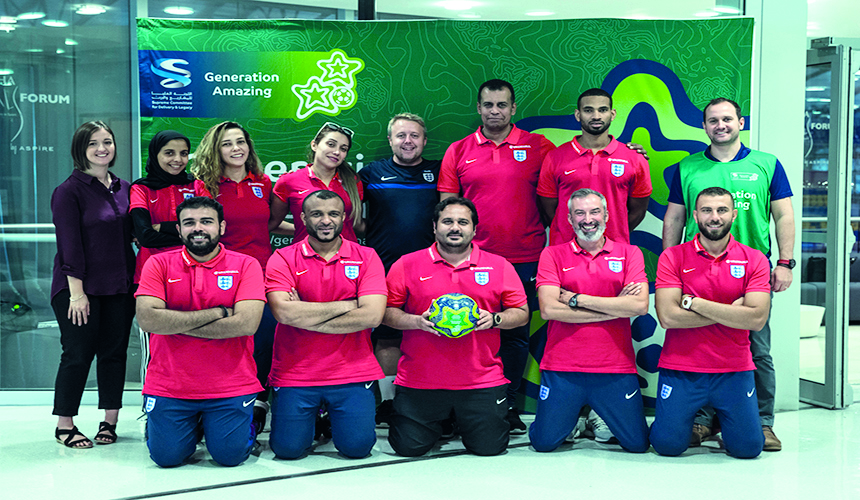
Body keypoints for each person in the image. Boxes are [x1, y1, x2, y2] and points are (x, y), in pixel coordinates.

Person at [662, 98, 794, 451]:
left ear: (740, 122)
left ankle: (763, 422)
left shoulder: (766, 163)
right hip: (697, 269)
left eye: (727, 119)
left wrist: (785, 262)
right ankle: (704, 421)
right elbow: (675, 218)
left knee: (757, 349)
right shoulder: (687, 166)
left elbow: (783, 215)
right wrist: (669, 264)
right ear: (704, 126)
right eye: (713, 120)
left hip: (753, 273)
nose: (720, 125)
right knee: (701, 343)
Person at [438, 79, 554, 433]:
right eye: (488, 105)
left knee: (515, 335)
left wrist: (629, 151)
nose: (495, 111)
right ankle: (459, 406)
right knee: (463, 332)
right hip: (471, 260)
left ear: (513, 108)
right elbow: (447, 210)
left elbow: (570, 175)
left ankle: (508, 405)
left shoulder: (539, 147)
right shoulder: (459, 150)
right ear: (478, 108)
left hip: (524, 257)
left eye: (502, 105)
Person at [383, 197, 528, 456]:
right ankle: (442, 421)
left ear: (474, 229)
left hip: (480, 380)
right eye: (447, 221)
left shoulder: (499, 265)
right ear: (434, 226)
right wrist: (416, 321)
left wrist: (494, 319)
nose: (455, 228)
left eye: (463, 222)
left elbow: (522, 313)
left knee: (490, 448)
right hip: (420, 380)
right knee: (408, 448)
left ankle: (460, 420)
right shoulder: (406, 264)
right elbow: (385, 313)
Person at [135, 197, 265, 467]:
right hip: (170, 384)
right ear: (179, 230)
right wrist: (219, 312)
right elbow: (148, 320)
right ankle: (189, 426)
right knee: (166, 458)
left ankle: (249, 422)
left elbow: (246, 324)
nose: (198, 228)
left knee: (230, 457)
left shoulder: (247, 264)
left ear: (222, 227)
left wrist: (174, 324)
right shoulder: (157, 264)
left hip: (230, 383)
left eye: (206, 221)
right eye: (189, 223)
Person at [265, 190, 386, 459]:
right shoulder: (282, 257)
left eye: (333, 214)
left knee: (357, 449)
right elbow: (284, 313)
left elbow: (372, 316)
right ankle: (318, 420)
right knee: (288, 450)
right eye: (317, 214)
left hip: (352, 370)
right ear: (302, 218)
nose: (325, 221)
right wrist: (349, 305)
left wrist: (304, 314)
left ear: (344, 217)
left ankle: (330, 419)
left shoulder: (367, 256)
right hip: (296, 371)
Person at [652, 187, 771, 459]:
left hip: (734, 369)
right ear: (695, 215)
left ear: (734, 214)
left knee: (748, 449)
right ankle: (707, 422)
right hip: (681, 368)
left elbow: (756, 319)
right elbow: (668, 317)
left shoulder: (754, 259)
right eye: (706, 210)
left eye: (721, 210)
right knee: (667, 446)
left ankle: (721, 422)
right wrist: (732, 312)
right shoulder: (672, 256)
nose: (714, 217)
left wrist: (693, 302)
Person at [529, 188, 649, 453]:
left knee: (638, 445)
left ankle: (591, 417)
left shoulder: (630, 253)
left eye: (595, 212)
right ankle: (573, 420)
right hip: (563, 366)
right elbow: (549, 309)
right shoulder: (552, 254)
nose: (588, 219)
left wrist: (576, 299)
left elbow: (639, 305)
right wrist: (615, 307)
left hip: (615, 367)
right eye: (579, 213)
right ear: (569, 219)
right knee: (543, 443)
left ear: (606, 216)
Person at [51, 121, 136, 448]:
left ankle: (109, 421)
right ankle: (65, 425)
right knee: (78, 353)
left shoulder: (124, 188)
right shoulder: (68, 191)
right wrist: (77, 294)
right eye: (93, 143)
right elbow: (69, 245)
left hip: (119, 286)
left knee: (114, 353)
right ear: (80, 149)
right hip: (78, 289)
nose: (102, 149)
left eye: (107, 142)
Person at [191, 121, 278, 436]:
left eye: (240, 141)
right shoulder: (205, 185)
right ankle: (213, 405)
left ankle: (257, 404)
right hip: (222, 274)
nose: (236, 148)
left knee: (263, 340)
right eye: (227, 144)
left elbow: (269, 223)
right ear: (216, 150)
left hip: (263, 274)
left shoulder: (264, 183)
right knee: (223, 340)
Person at [358, 112, 441, 423]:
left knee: (433, 332)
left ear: (424, 140)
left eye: (414, 136)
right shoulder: (371, 173)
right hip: (385, 268)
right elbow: (351, 215)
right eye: (401, 135)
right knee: (388, 335)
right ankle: (390, 403)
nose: (408, 141)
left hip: (433, 269)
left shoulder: (439, 172)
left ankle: (433, 401)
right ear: (390, 140)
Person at [538, 88, 652, 246]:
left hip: (615, 252)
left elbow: (638, 211)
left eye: (602, 110)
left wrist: (613, 234)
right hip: (565, 250)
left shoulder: (634, 158)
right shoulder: (555, 157)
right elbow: (549, 211)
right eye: (588, 110)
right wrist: (568, 233)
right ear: (578, 115)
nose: (596, 116)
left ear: (612, 114)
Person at [268, 122, 364, 242]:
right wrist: (310, 229)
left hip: (347, 253)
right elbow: (272, 223)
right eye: (331, 144)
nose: (337, 152)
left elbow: (356, 224)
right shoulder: (288, 181)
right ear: (314, 145)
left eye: (343, 149)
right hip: (304, 252)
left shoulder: (353, 181)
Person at [130, 130, 196, 283]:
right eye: (169, 153)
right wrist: (190, 237)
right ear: (155, 154)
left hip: (193, 272)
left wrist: (162, 227)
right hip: (151, 274)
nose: (178, 159)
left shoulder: (197, 185)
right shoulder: (141, 189)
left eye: (184, 153)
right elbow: (146, 237)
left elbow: (208, 231)